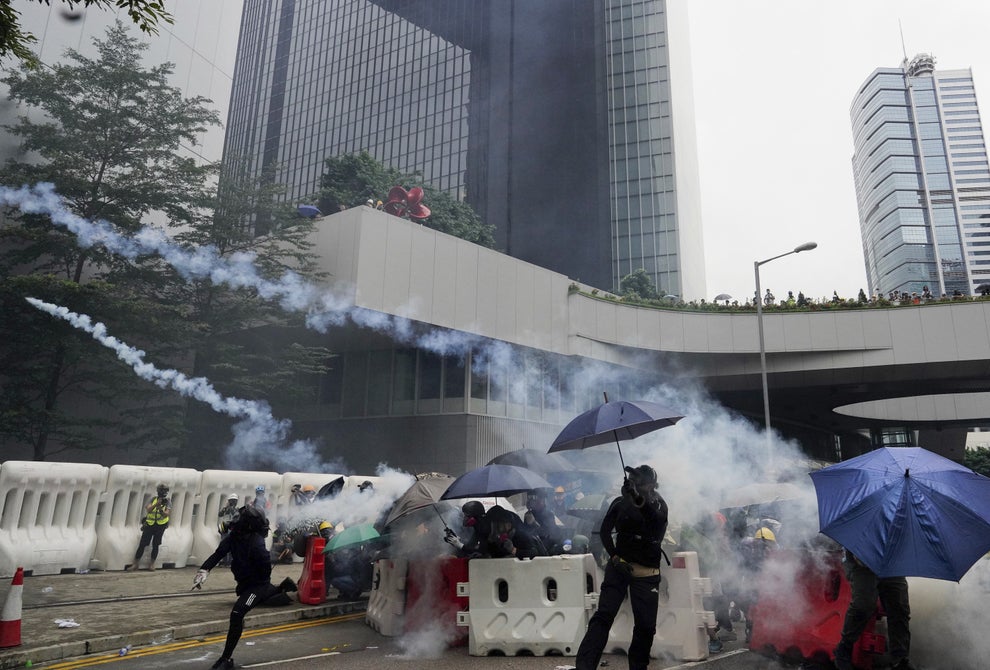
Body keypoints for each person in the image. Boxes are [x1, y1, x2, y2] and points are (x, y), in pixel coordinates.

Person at [575, 464, 669, 670]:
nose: (633, 484)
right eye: (632, 481)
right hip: (620, 567)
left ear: (651, 485)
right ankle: (584, 666)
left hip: (647, 571)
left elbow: (655, 520)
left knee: (645, 627)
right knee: (603, 617)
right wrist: (615, 557)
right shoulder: (619, 503)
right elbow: (604, 532)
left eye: (638, 482)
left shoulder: (660, 504)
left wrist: (637, 498)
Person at [193, 505, 298, 670]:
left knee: (237, 614)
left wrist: (255, 586)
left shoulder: (256, 544)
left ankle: (226, 659)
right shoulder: (234, 536)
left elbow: (264, 575)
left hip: (256, 585)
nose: (236, 521)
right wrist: (204, 570)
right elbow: (218, 554)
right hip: (245, 583)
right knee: (248, 602)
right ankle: (282, 588)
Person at [834, 549, 914, 670]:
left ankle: (900, 659)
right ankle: (844, 649)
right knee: (863, 605)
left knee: (899, 608)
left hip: (890, 561)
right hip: (862, 559)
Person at [128, 483, 171, 571]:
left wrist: (160, 509)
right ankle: (135, 564)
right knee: (142, 544)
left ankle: (152, 564)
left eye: (165, 490)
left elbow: (166, 514)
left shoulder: (168, 501)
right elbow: (148, 509)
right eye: (161, 490)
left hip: (160, 525)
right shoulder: (153, 499)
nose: (163, 492)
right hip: (150, 524)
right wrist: (156, 504)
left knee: (156, 544)